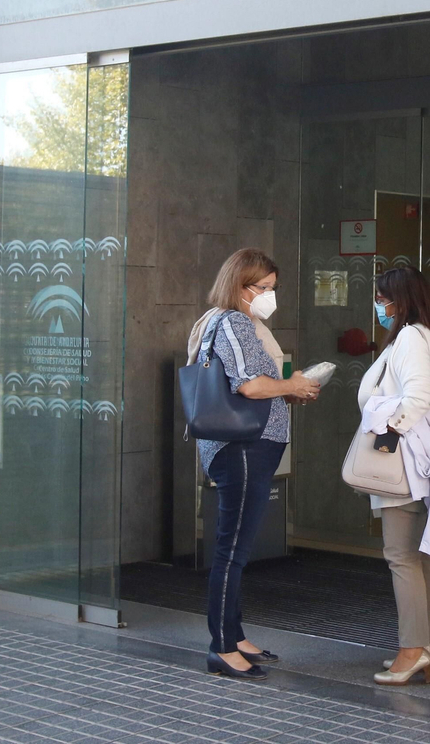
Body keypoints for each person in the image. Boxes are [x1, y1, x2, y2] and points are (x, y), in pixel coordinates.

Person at [186, 248, 321, 681]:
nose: (268, 296)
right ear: (239, 286)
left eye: (272, 288)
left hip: (245, 446)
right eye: (262, 288)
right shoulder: (235, 323)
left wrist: (287, 389)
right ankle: (222, 648)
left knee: (236, 548)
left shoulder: (223, 322)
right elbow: (248, 385)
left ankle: (234, 634)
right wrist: (291, 385)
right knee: (232, 551)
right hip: (242, 446)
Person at [356, 267, 430, 686]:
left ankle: (412, 650)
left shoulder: (409, 337)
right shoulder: (428, 337)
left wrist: (387, 433)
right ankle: (425, 646)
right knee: (418, 556)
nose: (379, 306)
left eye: (381, 298)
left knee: (400, 555)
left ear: (399, 299)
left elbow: (417, 397)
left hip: (404, 465)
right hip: (421, 466)